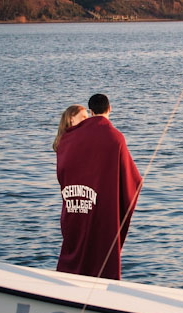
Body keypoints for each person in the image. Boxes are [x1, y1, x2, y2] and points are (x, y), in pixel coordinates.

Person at [55, 94, 142, 280]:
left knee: (75, 245)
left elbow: (63, 172)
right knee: (101, 250)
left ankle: (65, 283)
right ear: (110, 109)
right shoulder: (115, 137)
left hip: (74, 201)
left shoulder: (69, 138)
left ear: (92, 111)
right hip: (102, 206)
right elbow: (132, 179)